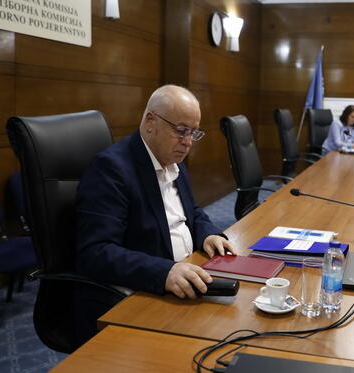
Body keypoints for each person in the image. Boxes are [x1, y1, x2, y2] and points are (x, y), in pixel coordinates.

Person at [74, 85, 237, 343]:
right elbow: (95, 252)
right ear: (150, 121)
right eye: (181, 130)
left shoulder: (172, 161)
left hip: (187, 275)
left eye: (193, 133)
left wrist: (208, 234)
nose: (188, 142)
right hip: (143, 290)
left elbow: (191, 211)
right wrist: (164, 273)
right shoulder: (111, 169)